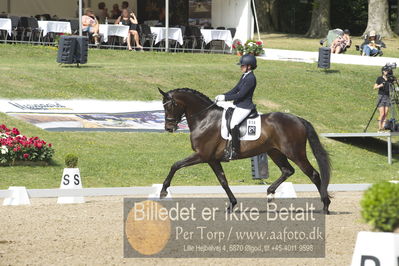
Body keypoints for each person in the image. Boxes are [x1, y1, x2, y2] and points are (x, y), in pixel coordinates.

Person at [215, 54, 257, 160]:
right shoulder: (245, 76)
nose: (241, 67)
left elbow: (240, 95)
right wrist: (223, 95)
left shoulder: (251, 78)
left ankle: (235, 150)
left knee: (233, 124)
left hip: (244, 107)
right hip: (237, 105)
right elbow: (235, 89)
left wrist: (225, 98)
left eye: (242, 65)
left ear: (249, 66)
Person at [374, 66, 392, 131]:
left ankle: (383, 127)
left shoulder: (389, 78)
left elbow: (395, 82)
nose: (387, 72)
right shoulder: (379, 78)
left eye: (387, 71)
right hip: (381, 96)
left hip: (387, 96)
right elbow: (374, 87)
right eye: (385, 71)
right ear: (383, 71)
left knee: (386, 113)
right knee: (382, 113)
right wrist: (380, 85)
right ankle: (379, 128)